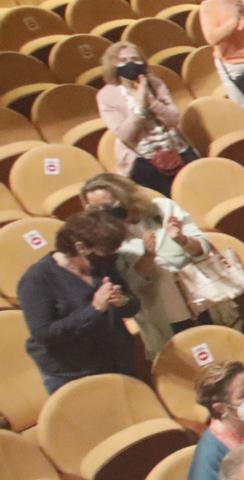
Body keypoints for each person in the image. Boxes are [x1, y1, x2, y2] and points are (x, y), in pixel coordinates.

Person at [79, 171, 216, 355]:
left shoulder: (161, 209)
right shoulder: (105, 240)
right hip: (164, 315)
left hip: (205, 299)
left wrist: (182, 240)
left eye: (109, 206)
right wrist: (148, 258)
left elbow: (204, 249)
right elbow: (130, 288)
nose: (105, 214)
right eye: (95, 210)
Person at [20, 212, 139, 393]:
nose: (110, 258)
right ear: (80, 247)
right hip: (73, 372)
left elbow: (132, 305)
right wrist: (94, 309)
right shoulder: (37, 279)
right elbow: (44, 334)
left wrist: (123, 301)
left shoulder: (103, 265)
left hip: (117, 359)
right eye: (104, 253)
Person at [94, 41, 189, 196]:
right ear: (113, 66)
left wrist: (150, 100)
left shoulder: (156, 84)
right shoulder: (107, 95)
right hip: (140, 157)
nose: (131, 64)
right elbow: (125, 134)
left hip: (174, 147)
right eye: (123, 61)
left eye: (135, 59)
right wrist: (140, 107)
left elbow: (173, 119)